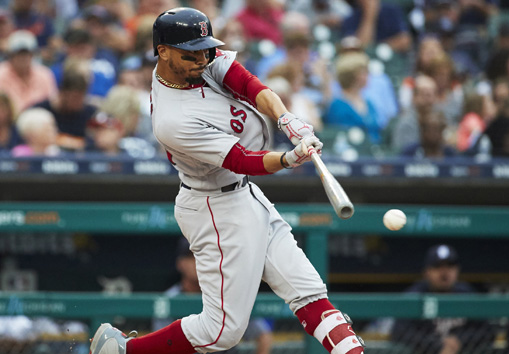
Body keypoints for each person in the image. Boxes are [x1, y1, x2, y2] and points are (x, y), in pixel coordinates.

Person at [89, 7, 364, 354]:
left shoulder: (198, 58)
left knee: (308, 292)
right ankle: (125, 352)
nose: (203, 59)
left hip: (245, 195)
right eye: (192, 52)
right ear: (163, 51)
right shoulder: (172, 119)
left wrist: (285, 118)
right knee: (221, 333)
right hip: (214, 207)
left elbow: (248, 84)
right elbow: (241, 160)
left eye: (206, 49)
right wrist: (290, 158)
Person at [152, 238, 273, 354]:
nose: (198, 262)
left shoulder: (226, 295)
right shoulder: (169, 299)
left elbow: (263, 336)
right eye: (192, 257)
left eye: (203, 256)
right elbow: (162, 345)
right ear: (180, 263)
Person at [391, 244, 489, 353]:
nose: (444, 272)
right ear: (426, 272)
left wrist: (459, 341)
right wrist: (438, 345)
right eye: (437, 266)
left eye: (450, 266)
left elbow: (487, 330)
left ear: (458, 270)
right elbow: (399, 332)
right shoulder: (415, 295)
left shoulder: (467, 294)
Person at [0, 30, 58, 113]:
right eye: (18, 54)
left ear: (32, 54)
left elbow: (52, 103)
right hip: (9, 121)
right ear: (10, 55)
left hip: (38, 120)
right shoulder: (1, 73)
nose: (23, 58)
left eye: (26, 54)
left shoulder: (44, 74)